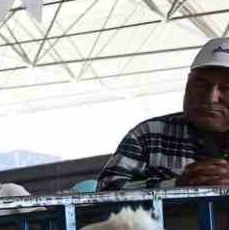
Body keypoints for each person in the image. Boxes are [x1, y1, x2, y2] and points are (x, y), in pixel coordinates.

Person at [98, 38, 229, 190]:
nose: (211, 97)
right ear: (188, 85)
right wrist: (174, 185)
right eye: (201, 85)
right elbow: (104, 190)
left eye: (226, 88)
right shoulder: (149, 135)